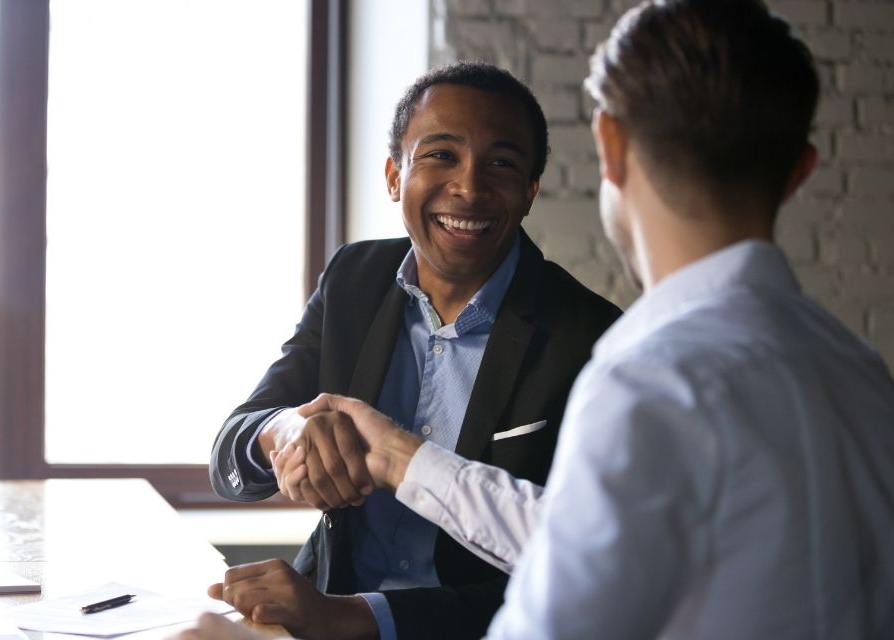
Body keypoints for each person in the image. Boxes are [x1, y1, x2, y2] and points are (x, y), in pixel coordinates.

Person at [266, 0, 894, 638]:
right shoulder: (863, 376)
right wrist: (399, 456)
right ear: (801, 172)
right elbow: (573, 533)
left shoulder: (647, 377)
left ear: (609, 147)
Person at [206, 61, 621, 640]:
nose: (469, 188)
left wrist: (353, 618)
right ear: (394, 175)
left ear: (530, 191)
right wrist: (283, 434)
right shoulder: (355, 277)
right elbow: (229, 455)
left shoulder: (594, 339)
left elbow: (574, 570)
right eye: (441, 155)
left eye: (500, 164)